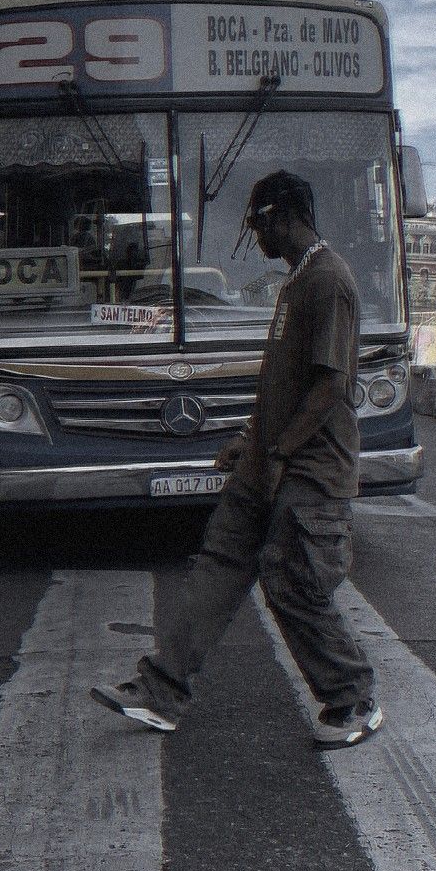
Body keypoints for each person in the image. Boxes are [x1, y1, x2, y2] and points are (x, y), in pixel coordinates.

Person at [90, 170, 382, 749]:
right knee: (219, 564)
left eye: (256, 224)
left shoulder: (330, 282)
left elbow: (329, 386)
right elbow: (283, 382)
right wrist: (251, 440)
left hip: (309, 469)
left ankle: (351, 699)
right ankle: (162, 691)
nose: (256, 237)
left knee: (293, 580)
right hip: (266, 460)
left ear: (281, 215)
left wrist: (278, 451)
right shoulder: (297, 281)